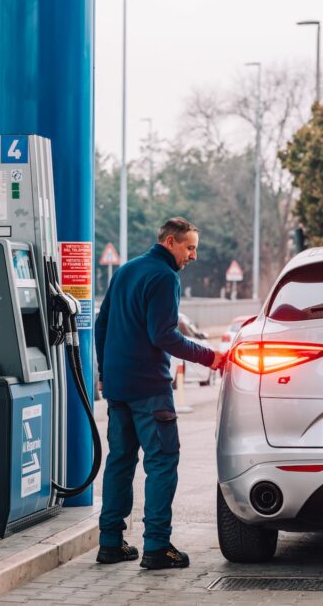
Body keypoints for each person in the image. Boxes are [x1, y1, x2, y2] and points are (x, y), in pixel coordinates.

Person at [94, 217, 224, 570]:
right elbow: (164, 335)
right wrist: (210, 356)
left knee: (120, 462)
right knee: (162, 463)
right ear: (170, 242)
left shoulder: (125, 271)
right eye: (190, 247)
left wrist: (105, 374)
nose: (193, 255)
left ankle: (110, 543)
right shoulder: (165, 277)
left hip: (119, 388)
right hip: (150, 389)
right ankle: (156, 547)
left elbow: (101, 323)